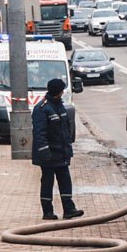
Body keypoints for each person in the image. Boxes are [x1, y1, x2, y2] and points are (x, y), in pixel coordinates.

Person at [32, 78, 84, 220]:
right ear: (59, 91)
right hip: (49, 154)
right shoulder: (42, 109)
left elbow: (65, 130)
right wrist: (45, 152)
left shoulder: (60, 106)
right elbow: (39, 133)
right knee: (48, 182)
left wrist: (68, 148)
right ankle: (47, 211)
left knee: (65, 180)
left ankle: (69, 209)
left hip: (61, 153)